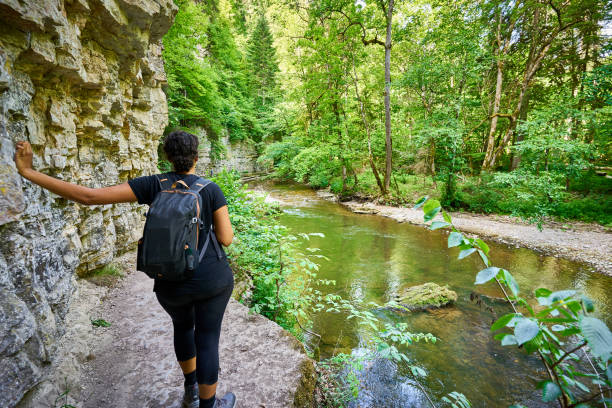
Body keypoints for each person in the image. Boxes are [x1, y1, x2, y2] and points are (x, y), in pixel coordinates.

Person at [14, 130, 237, 408]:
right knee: (207, 337)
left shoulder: (153, 185)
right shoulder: (211, 189)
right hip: (210, 280)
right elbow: (226, 238)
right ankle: (208, 405)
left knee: (182, 327)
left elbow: (88, 196)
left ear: (167, 156)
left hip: (168, 280)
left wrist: (28, 171)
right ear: (196, 156)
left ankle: (191, 391)